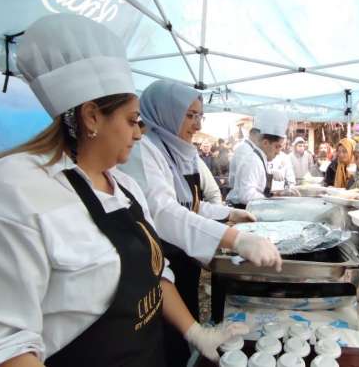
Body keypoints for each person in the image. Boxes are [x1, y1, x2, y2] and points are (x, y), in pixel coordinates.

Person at [0, 14, 248, 366]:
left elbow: (156, 273)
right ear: (92, 117)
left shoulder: (126, 187)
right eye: (132, 121)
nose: (139, 133)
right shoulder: (8, 193)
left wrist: (195, 332)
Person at [119, 80, 282, 364]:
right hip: (158, 260)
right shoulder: (143, 150)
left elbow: (190, 204)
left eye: (199, 116)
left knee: (184, 330)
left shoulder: (182, 151)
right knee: (164, 339)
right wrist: (234, 239)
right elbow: (163, 212)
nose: (196, 124)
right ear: (165, 113)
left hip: (182, 259)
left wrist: (228, 215)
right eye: (189, 115)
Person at [226, 113, 299, 208]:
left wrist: (278, 194)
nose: (278, 153)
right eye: (277, 147)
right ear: (265, 143)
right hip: (242, 208)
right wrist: (271, 201)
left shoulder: (260, 158)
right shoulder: (253, 160)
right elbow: (246, 195)